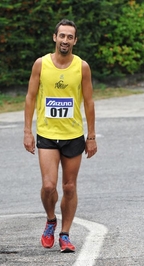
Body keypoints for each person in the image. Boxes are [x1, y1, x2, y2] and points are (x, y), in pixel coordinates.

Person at [23, 19, 97, 253]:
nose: (65, 40)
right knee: (48, 186)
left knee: (70, 187)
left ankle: (64, 234)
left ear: (75, 41)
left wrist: (92, 136)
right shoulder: (41, 64)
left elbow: (89, 101)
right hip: (47, 134)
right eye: (62, 35)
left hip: (74, 135)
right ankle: (50, 220)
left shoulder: (82, 67)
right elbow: (30, 97)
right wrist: (27, 131)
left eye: (70, 37)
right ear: (55, 37)